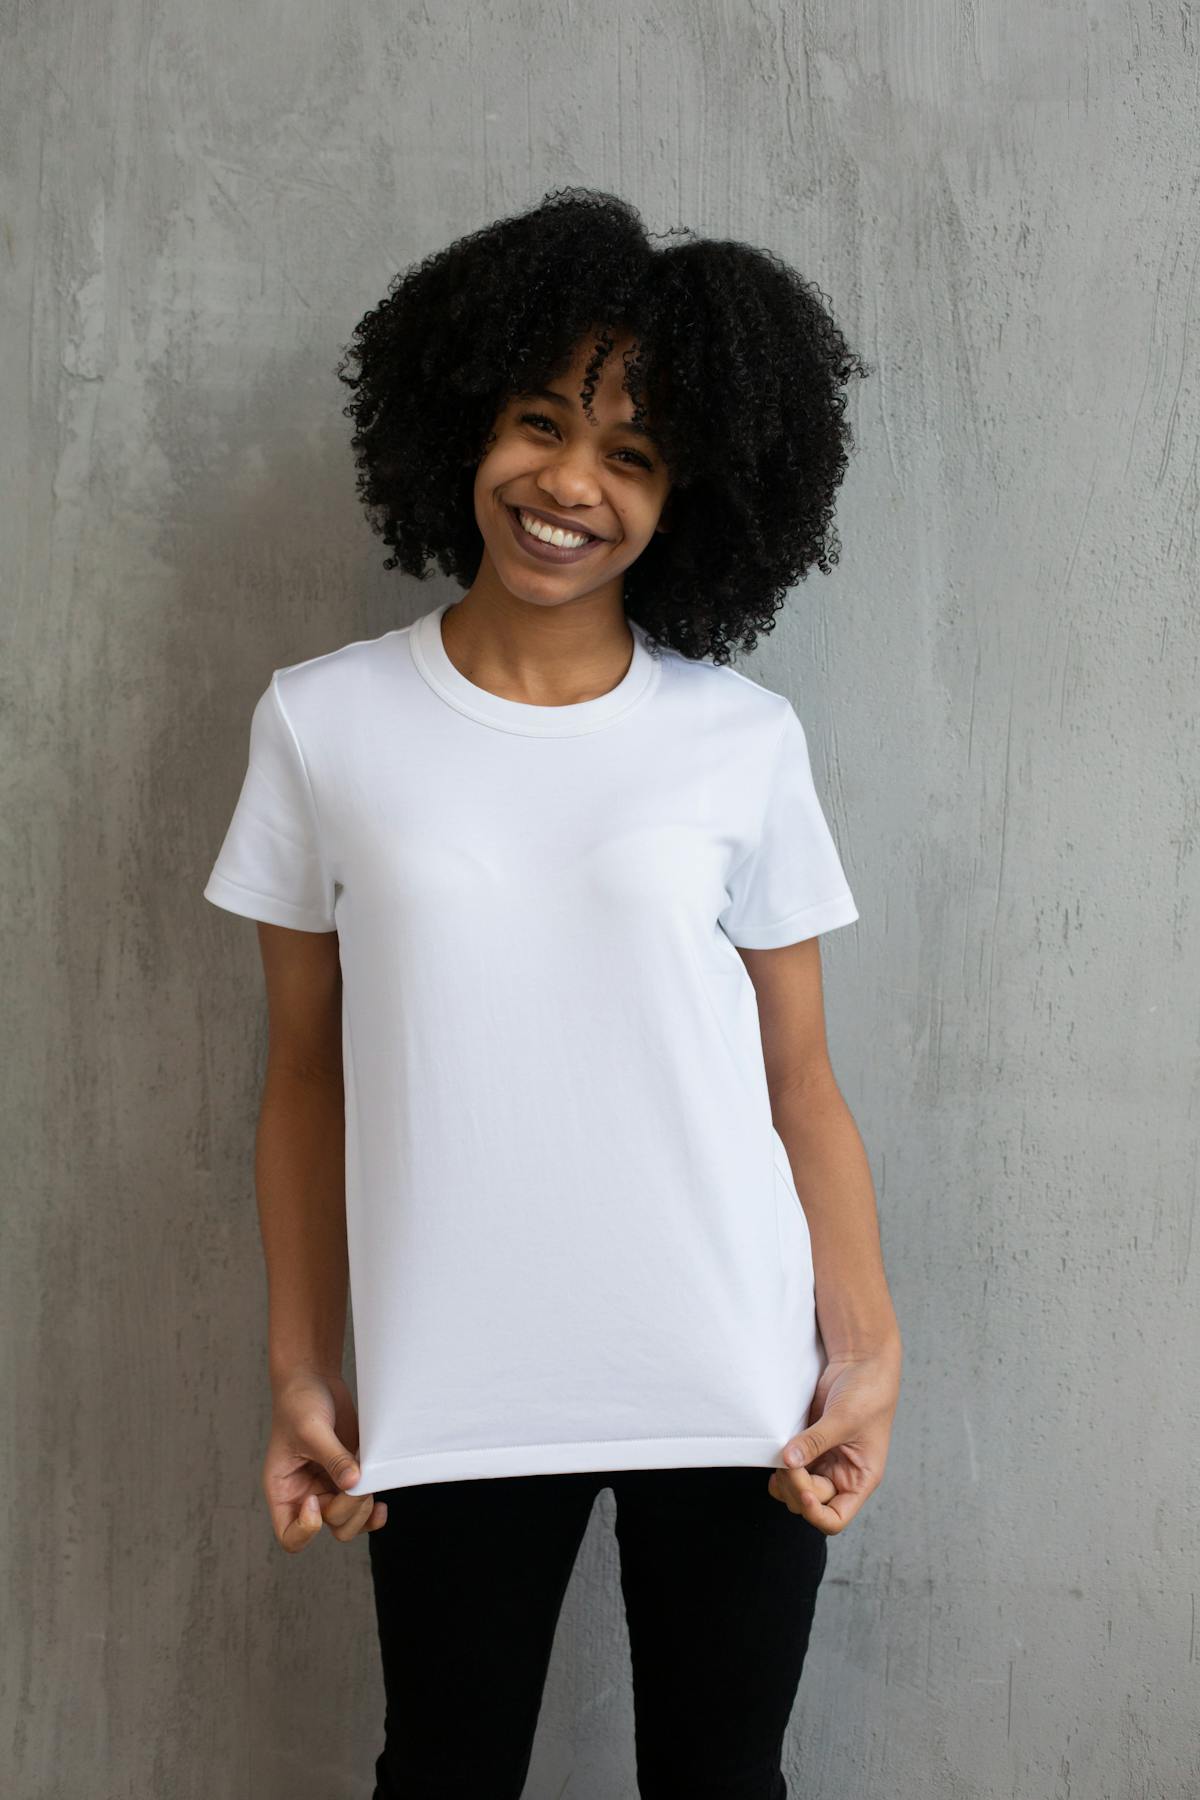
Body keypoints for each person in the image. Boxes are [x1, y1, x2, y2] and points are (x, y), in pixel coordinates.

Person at [203, 187, 902, 1799]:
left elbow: (800, 1079)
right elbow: (302, 1076)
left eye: (634, 456)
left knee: (723, 1780)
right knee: (442, 1771)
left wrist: (862, 1353)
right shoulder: (323, 725)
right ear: (468, 424)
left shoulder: (742, 740)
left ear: (691, 501)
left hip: (735, 1382)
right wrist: (307, 1370)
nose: (569, 484)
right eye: (540, 424)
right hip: (454, 1387)